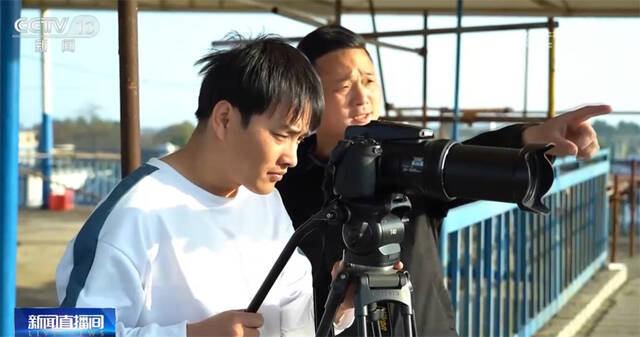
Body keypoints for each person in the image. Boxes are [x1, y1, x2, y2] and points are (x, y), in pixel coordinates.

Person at [276, 25, 611, 336]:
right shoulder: (283, 178)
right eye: (344, 87)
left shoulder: (403, 159)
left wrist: (531, 137)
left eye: (369, 81)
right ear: (310, 98)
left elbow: (460, 159)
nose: (362, 98)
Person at [56, 36, 356, 337]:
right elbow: (66, 330)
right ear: (224, 118)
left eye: (300, 139)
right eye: (281, 135)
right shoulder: (134, 212)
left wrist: (338, 304)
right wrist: (189, 334)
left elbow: (290, 322)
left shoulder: (266, 202)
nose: (291, 157)